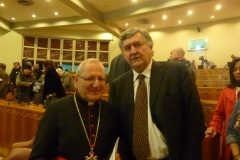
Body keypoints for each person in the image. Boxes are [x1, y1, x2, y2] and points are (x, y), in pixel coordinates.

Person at [109, 27, 205, 160]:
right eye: (127, 48)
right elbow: (118, 127)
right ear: (123, 54)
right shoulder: (118, 85)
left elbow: (195, 121)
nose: (133, 51)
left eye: (138, 45)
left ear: (150, 47)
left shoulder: (177, 73)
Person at [29, 58, 119, 159]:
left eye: (101, 79)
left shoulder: (112, 111)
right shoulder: (56, 109)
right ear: (76, 81)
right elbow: (39, 156)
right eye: (90, 78)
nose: (96, 84)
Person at [205, 58, 240, 160]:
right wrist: (214, 127)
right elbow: (219, 114)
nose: (238, 72)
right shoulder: (226, 91)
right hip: (231, 138)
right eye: (235, 69)